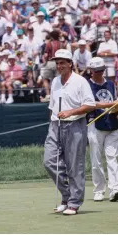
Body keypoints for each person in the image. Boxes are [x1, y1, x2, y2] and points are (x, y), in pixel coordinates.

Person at [44, 49, 96, 215]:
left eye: (62, 62)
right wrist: (52, 123)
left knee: (75, 166)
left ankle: (73, 202)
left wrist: (70, 112)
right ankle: (67, 195)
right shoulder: (55, 82)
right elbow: (52, 106)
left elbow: (90, 105)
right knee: (49, 161)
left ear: (70, 64)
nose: (59, 66)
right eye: (57, 63)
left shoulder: (80, 81)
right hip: (55, 125)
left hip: (75, 125)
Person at [87, 57, 118, 202]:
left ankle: (115, 189)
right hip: (95, 125)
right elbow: (90, 104)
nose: (99, 73)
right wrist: (110, 103)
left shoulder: (111, 84)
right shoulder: (86, 86)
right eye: (96, 71)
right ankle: (99, 190)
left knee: (112, 158)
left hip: (112, 125)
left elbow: (115, 102)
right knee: (96, 160)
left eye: (101, 71)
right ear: (91, 71)